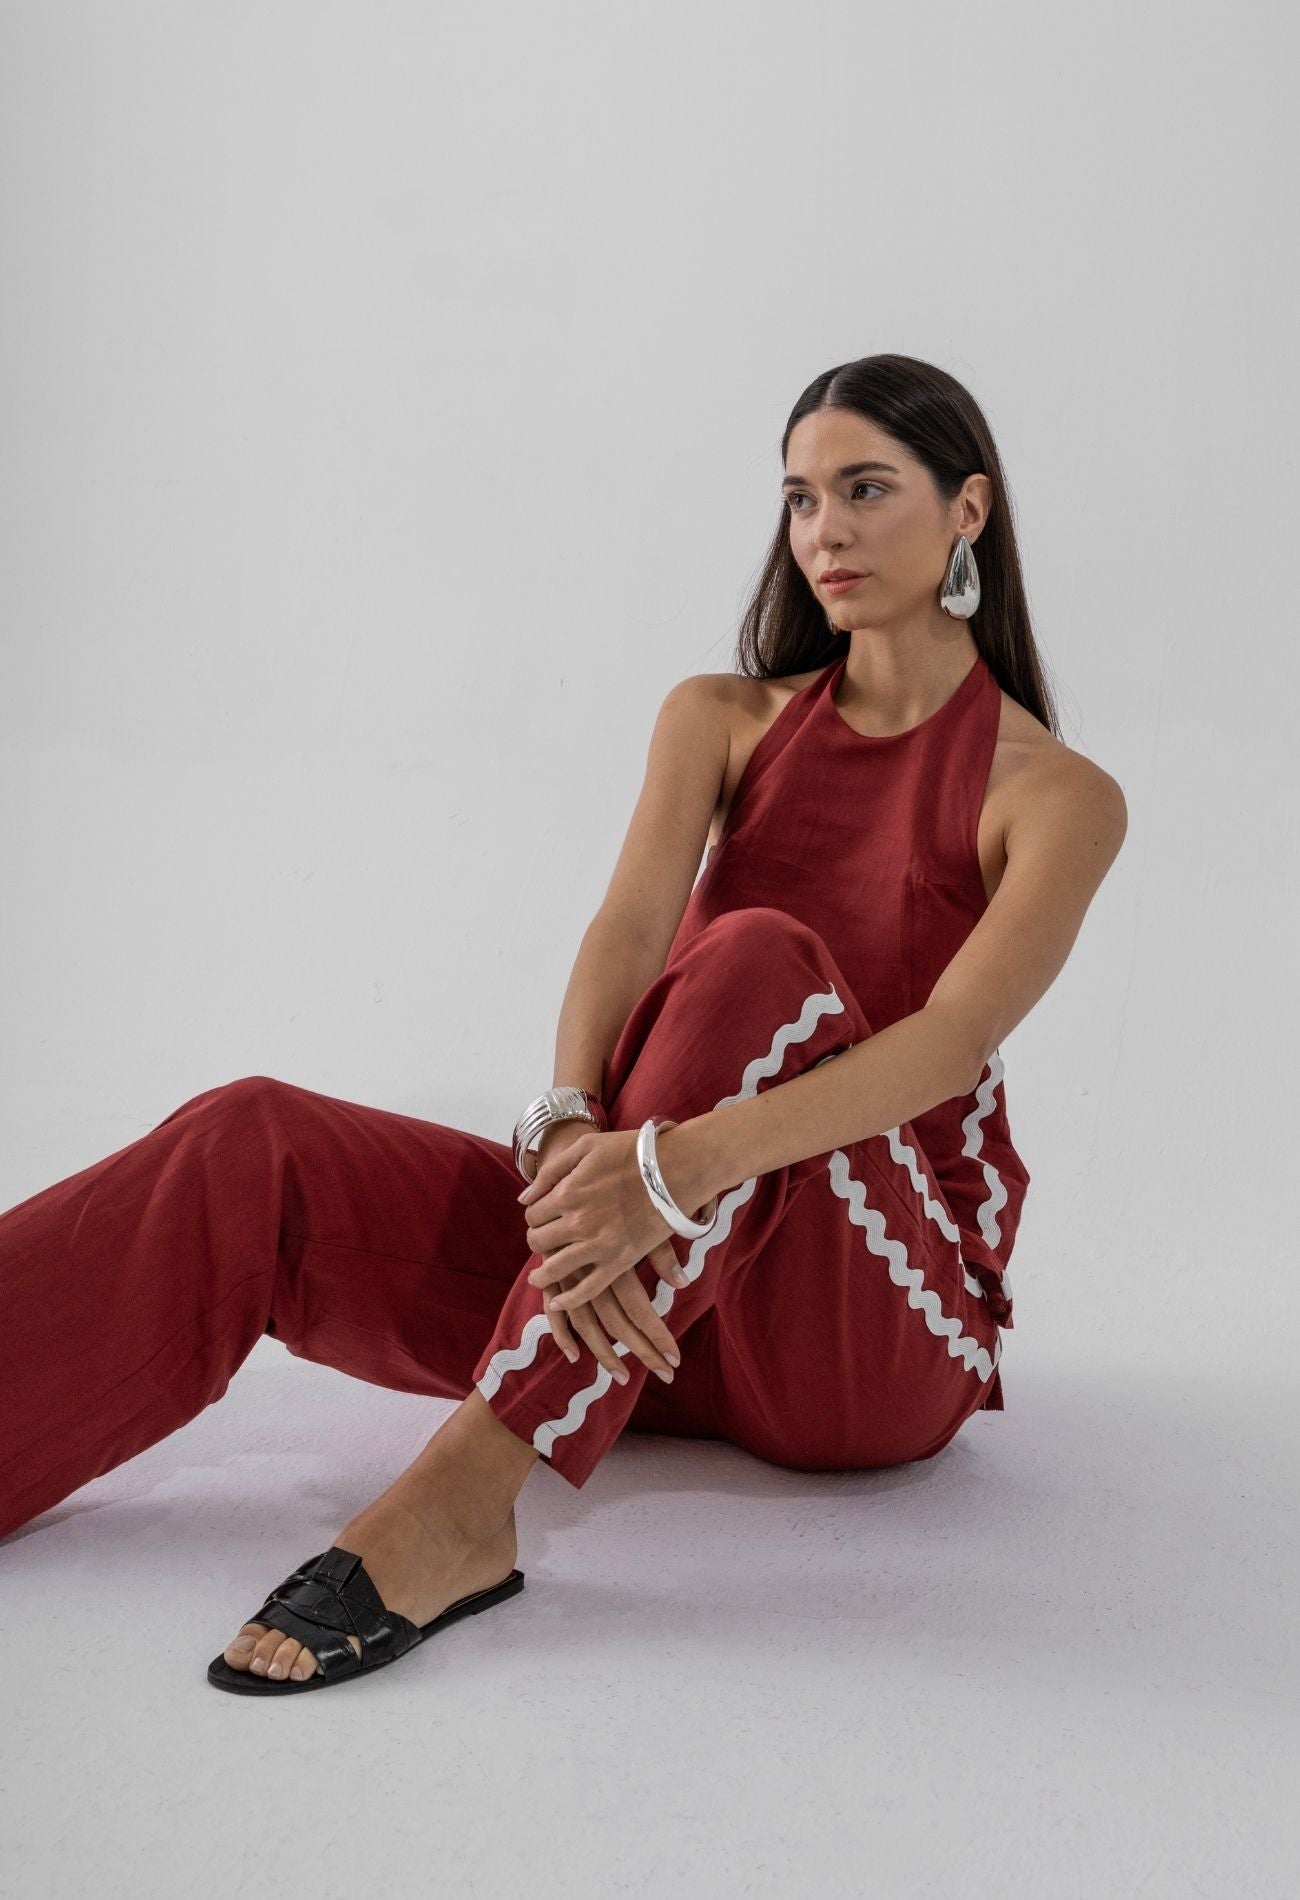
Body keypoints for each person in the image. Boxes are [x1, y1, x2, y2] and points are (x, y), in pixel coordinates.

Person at [0, 352, 1127, 1694]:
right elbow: (628, 934)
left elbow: (947, 1046)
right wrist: (572, 1128)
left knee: (759, 959)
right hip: (649, 1299)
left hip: (868, 1339)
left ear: (967, 511)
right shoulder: (719, 719)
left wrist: (670, 1169)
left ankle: (467, 1497)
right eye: (800, 498)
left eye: (866, 489)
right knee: (252, 1143)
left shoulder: (1054, 794)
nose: (823, 530)